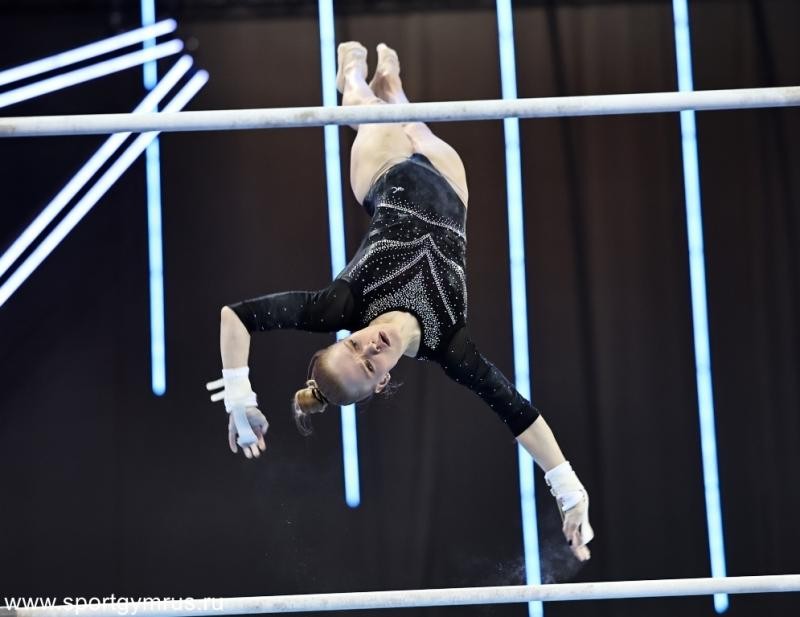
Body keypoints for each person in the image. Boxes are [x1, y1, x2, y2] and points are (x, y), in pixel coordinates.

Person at [207, 42, 593, 561]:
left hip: (382, 170)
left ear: (347, 336)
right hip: (451, 186)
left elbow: (238, 316)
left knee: (370, 113)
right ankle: (394, 88)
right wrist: (569, 490)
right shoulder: (448, 344)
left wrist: (239, 396)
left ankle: (352, 78)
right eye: (370, 365)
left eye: (355, 346)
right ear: (383, 381)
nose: (371, 346)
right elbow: (518, 414)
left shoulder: (343, 305)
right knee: (415, 123)